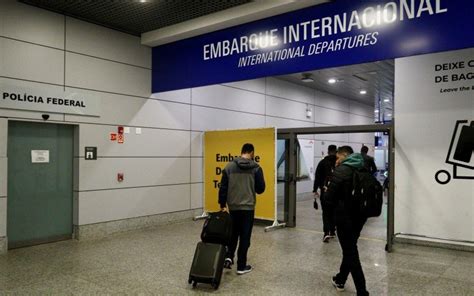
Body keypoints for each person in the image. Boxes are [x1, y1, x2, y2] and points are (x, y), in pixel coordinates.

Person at [324, 146, 370, 296]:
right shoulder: (363, 167)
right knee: (350, 248)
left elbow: (329, 199)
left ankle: (362, 291)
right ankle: (340, 279)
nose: (336, 160)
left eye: (338, 157)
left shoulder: (342, 170)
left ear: (345, 156)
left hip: (345, 218)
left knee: (351, 252)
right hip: (360, 217)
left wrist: (327, 190)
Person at [218, 143, 265, 275]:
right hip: (248, 208)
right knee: (245, 237)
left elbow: (223, 188)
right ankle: (241, 266)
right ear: (251, 153)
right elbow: (261, 189)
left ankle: (228, 257)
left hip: (233, 207)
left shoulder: (229, 166)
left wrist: (222, 205)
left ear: (242, 151)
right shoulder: (256, 168)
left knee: (232, 234)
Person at [313, 144, 337, 242]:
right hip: (336, 192)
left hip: (325, 192)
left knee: (326, 212)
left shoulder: (322, 162)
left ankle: (326, 232)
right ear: (336, 152)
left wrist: (315, 190)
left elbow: (317, 177)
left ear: (327, 151)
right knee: (334, 211)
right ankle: (332, 230)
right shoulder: (338, 162)